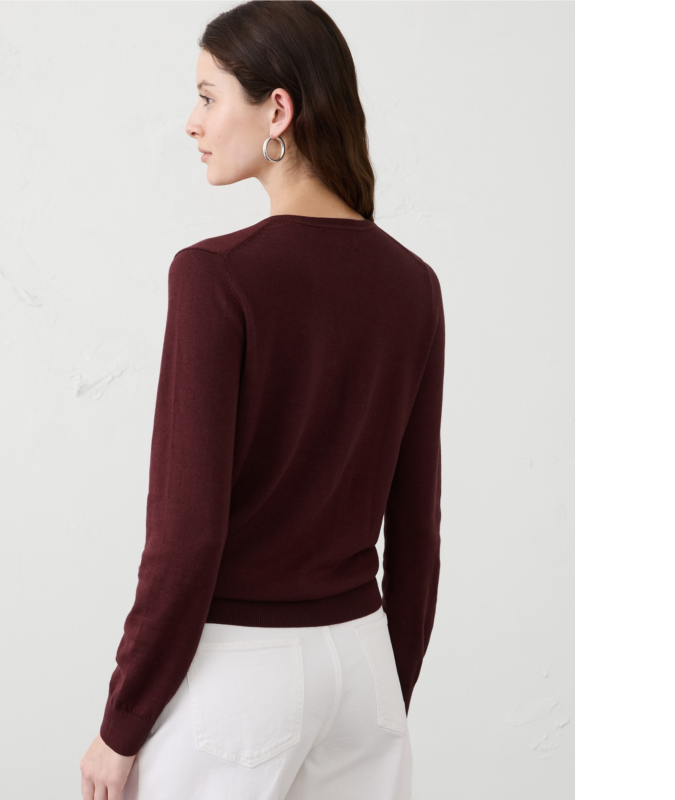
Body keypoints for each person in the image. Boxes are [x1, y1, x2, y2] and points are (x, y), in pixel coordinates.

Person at [80, 1, 445, 798]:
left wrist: (122, 723)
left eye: (209, 96)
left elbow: (186, 535)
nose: (192, 121)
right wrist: (384, 691)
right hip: (363, 665)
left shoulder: (215, 277)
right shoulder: (414, 286)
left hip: (239, 678)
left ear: (277, 109)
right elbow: (417, 532)